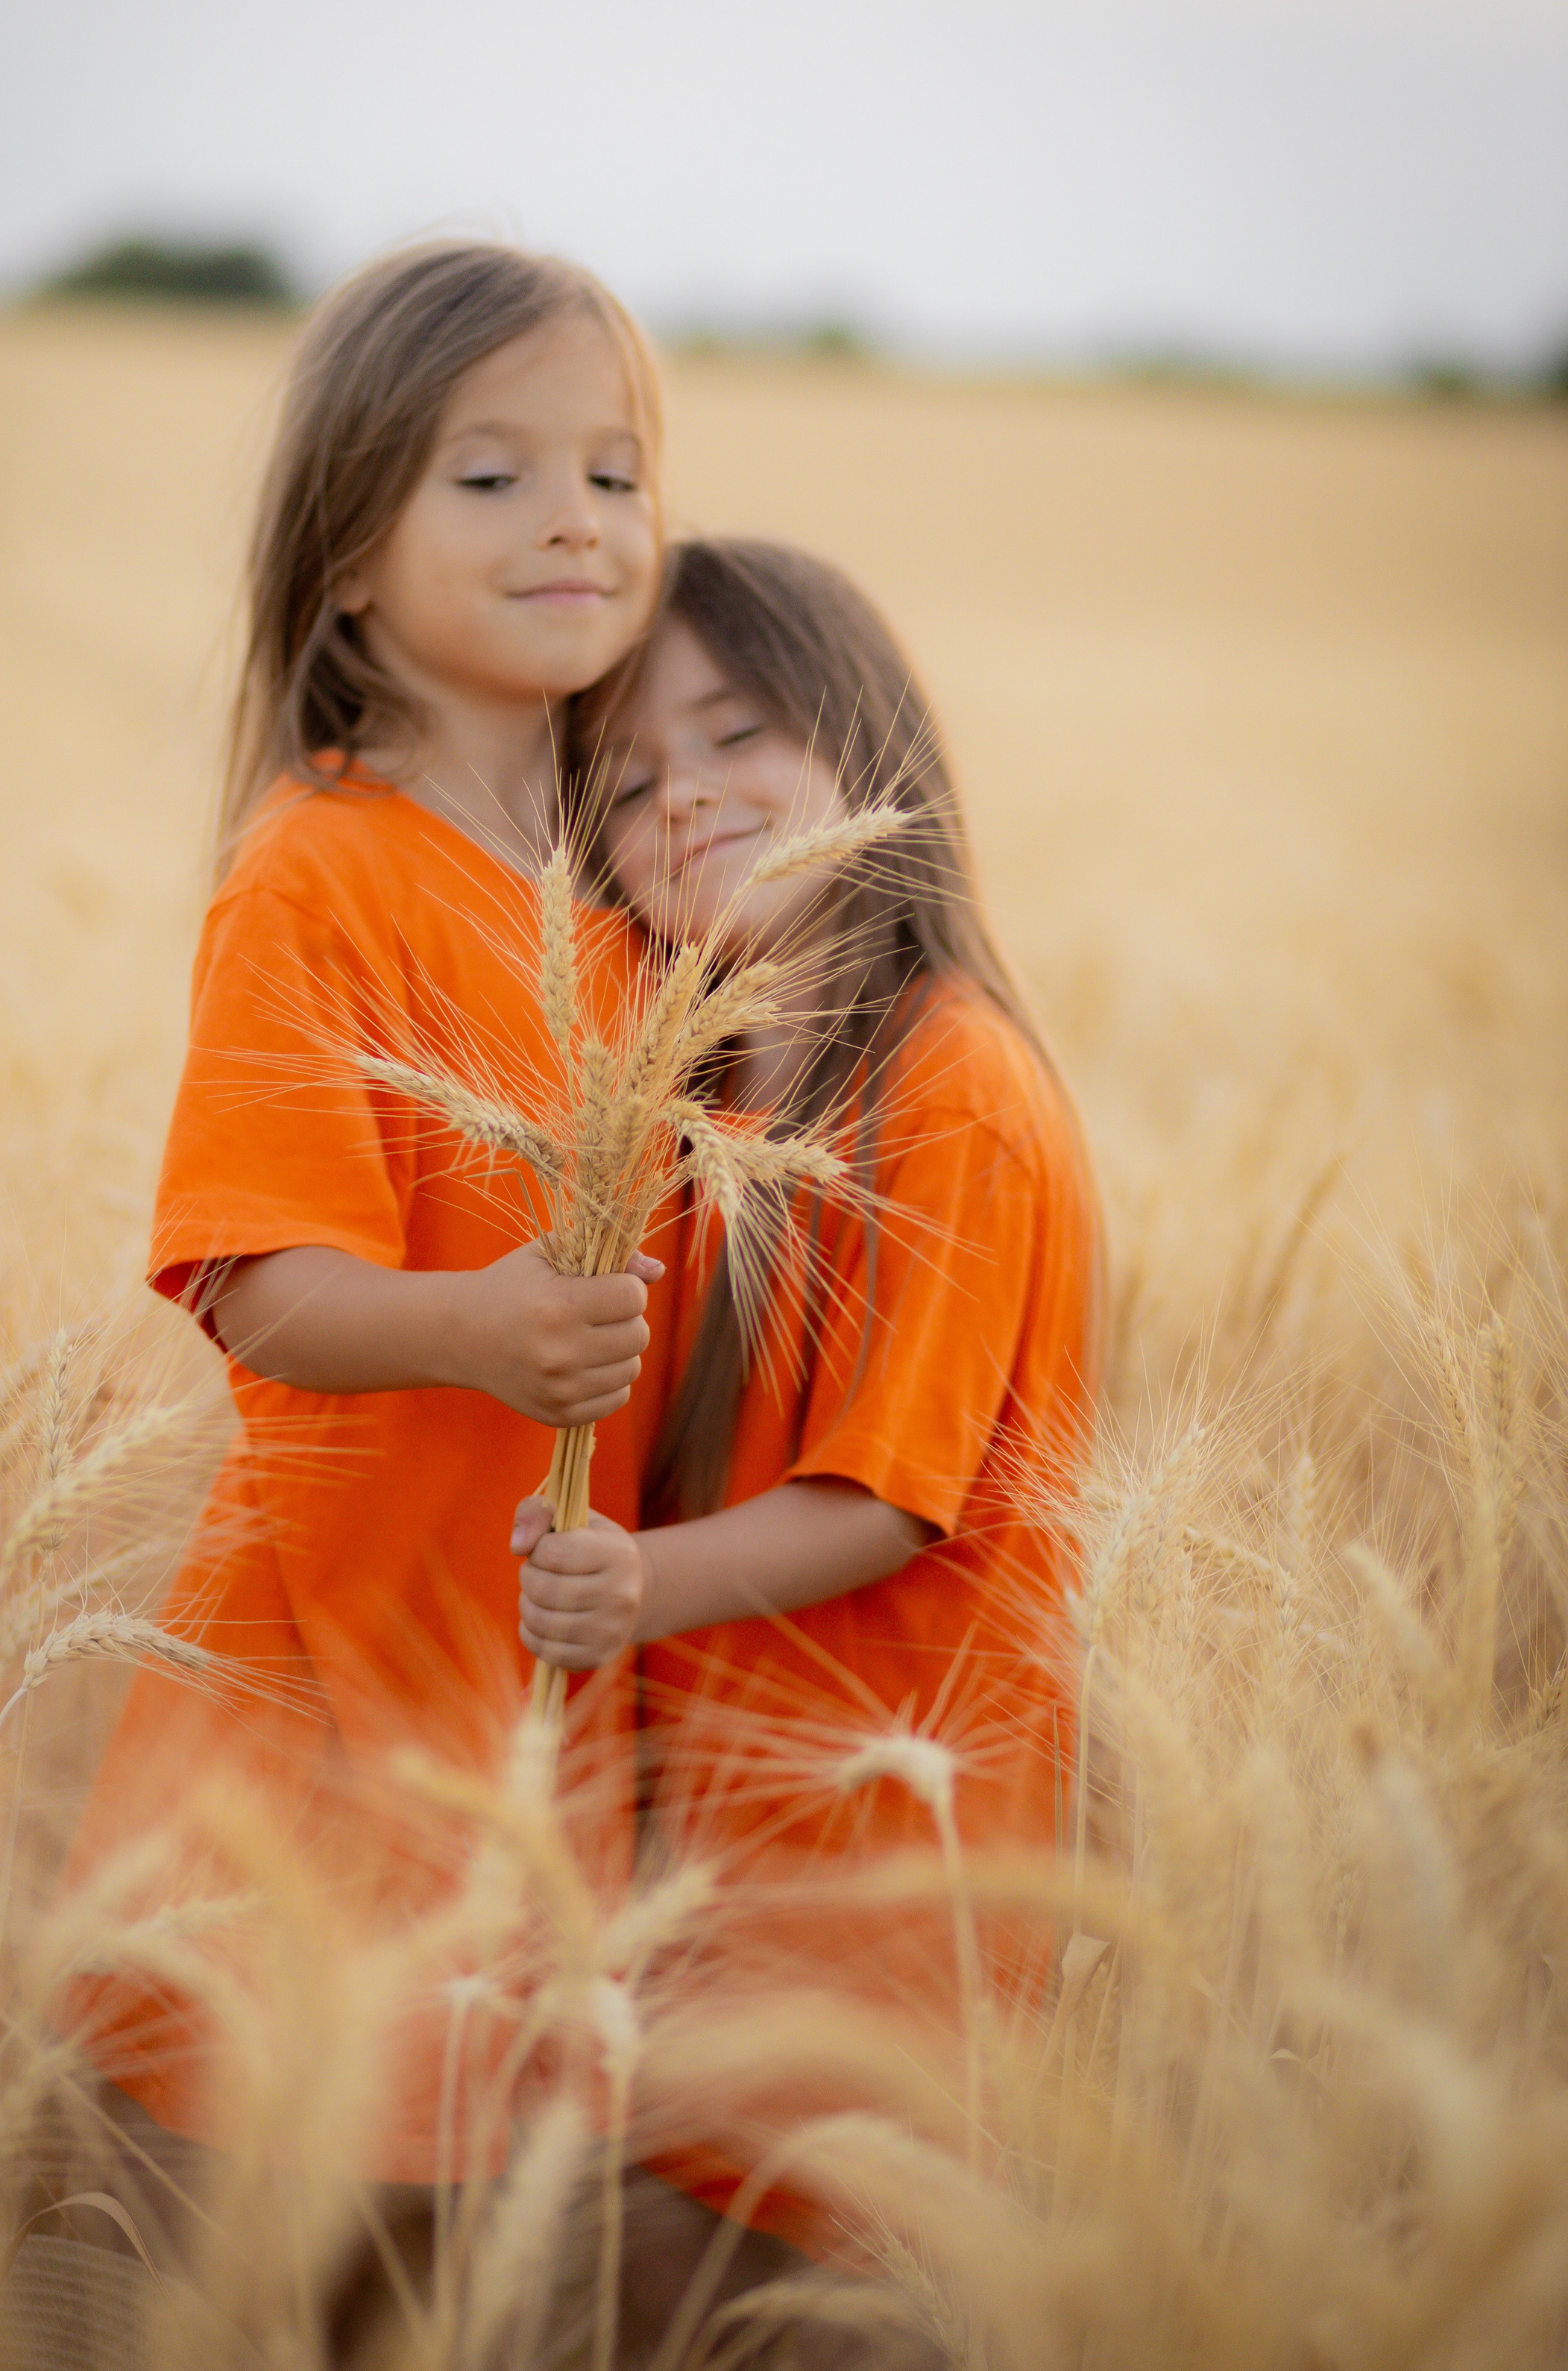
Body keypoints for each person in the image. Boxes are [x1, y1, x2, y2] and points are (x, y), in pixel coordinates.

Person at [60, 241, 674, 2205]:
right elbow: (257, 1283)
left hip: (532, 1694)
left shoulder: (634, 902)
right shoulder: (319, 870)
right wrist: (476, 1328)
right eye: (490, 477)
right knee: (212, 2232)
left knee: (455, 2251)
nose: (574, 518)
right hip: (318, 1701)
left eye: (615, 469)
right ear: (343, 554)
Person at [511, 536, 1101, 2289]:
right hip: (698, 1895)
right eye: (622, 782)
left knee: (838, 2297)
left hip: (877, 1901)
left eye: (736, 730)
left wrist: (627, 1588)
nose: (682, 799)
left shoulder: (950, 1081)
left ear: (867, 745)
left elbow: (887, 1498)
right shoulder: (671, 1105)